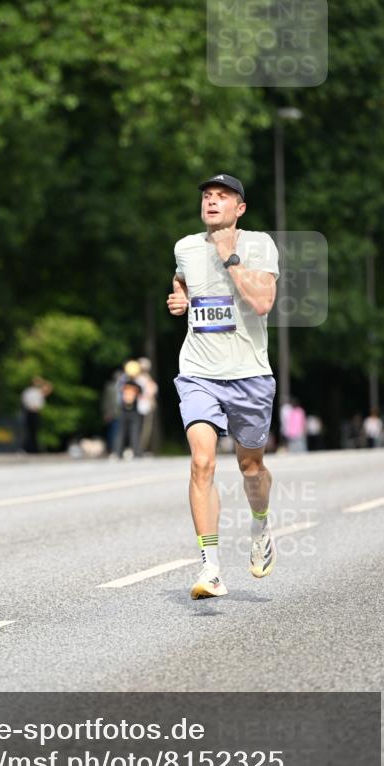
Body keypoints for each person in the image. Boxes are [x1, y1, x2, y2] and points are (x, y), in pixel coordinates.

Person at [167, 173, 279, 599]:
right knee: (202, 463)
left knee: (250, 467)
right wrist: (179, 296)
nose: (212, 202)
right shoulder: (186, 246)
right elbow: (181, 278)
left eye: (222, 197)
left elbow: (263, 302)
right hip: (198, 371)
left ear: (240, 208)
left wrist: (230, 258)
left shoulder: (259, 245)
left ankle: (261, 521)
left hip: (250, 374)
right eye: (207, 196)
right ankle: (210, 568)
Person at [115, 363, 143, 459]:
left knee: (121, 433)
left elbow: (119, 393)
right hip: (134, 411)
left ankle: (118, 453)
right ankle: (137, 453)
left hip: (123, 411)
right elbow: (141, 395)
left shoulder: (123, 385)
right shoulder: (138, 386)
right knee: (134, 433)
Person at [20, 376, 53, 453]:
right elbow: (26, 402)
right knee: (28, 432)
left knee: (35, 432)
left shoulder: (39, 392)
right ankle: (27, 449)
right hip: (29, 413)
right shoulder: (28, 391)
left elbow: (49, 388)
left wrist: (45, 383)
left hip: (36, 414)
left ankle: (34, 449)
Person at [137, 357, 159, 454]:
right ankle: (136, 448)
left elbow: (153, 391)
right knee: (137, 427)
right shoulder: (136, 378)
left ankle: (141, 448)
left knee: (146, 429)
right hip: (137, 406)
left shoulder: (148, 379)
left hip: (147, 405)